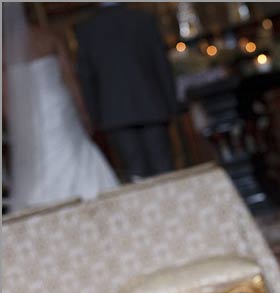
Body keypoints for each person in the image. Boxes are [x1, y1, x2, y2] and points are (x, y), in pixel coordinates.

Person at [2, 3, 119, 213]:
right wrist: (83, 112)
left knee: (40, 160)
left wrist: (13, 124)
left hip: (28, 115)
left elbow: (5, 94)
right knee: (72, 148)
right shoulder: (50, 36)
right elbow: (70, 79)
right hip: (57, 105)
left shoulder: (4, 50)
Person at [75, 3, 178, 182]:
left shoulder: (86, 30)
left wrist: (95, 116)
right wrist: (172, 103)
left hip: (114, 112)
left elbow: (87, 78)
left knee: (136, 174)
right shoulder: (143, 19)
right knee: (165, 170)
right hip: (152, 104)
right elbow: (161, 64)